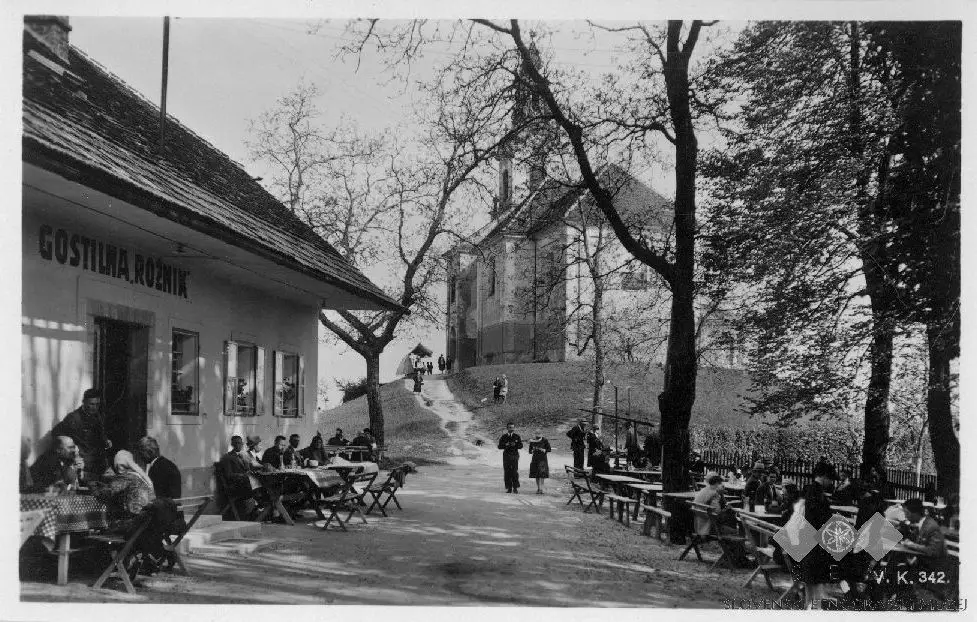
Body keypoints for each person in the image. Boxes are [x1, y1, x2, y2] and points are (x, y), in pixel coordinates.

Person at [51, 388, 113, 479]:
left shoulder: (98, 417)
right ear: (83, 402)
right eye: (91, 404)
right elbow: (56, 433)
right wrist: (72, 451)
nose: (94, 407)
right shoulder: (73, 418)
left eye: (97, 404)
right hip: (82, 461)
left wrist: (106, 441)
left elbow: (101, 435)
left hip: (97, 460)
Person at [217, 436, 261, 518]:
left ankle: (258, 508)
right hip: (235, 486)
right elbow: (229, 475)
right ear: (232, 444)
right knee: (257, 486)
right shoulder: (228, 457)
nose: (238, 445)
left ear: (242, 444)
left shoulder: (244, 455)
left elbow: (250, 468)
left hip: (246, 483)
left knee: (261, 481)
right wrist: (244, 475)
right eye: (236, 443)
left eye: (240, 443)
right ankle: (256, 510)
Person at [497, 422, 523, 493]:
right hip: (506, 456)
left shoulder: (517, 436)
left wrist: (515, 444)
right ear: (507, 428)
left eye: (512, 427)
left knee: (514, 471)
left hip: (514, 455)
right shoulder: (504, 436)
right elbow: (499, 446)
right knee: (507, 472)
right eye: (510, 427)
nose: (511, 429)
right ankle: (509, 487)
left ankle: (515, 487)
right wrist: (506, 444)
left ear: (514, 428)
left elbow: (521, 446)